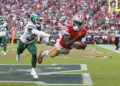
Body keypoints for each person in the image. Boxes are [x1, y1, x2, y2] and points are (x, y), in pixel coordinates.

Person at [16, 12, 50, 79]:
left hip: (30, 42)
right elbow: (37, 32)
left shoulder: (40, 25)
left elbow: (40, 34)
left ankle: (33, 70)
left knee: (34, 53)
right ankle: (18, 54)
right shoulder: (29, 25)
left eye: (39, 20)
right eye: (37, 19)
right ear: (33, 19)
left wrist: (47, 40)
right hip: (23, 41)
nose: (39, 21)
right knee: (19, 51)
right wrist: (47, 35)